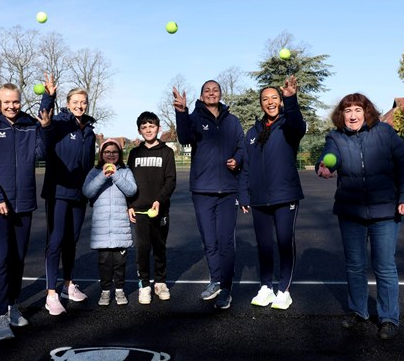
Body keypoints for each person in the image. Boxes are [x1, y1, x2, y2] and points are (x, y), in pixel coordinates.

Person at [316, 93, 404, 340]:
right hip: (351, 211)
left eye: (357, 110)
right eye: (348, 110)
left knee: (384, 267)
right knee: (355, 266)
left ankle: (388, 318)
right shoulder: (336, 136)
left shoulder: (385, 133)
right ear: (342, 115)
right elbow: (331, 155)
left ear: (366, 112)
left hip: (385, 211)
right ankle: (358, 311)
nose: (352, 115)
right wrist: (326, 164)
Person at [0, 83, 52, 340]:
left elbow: (42, 151)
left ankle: (12, 305)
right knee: (0, 261)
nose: (11, 106)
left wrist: (45, 118)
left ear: (21, 101)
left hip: (24, 204)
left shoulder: (30, 125)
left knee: (18, 259)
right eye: (6, 102)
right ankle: (0, 318)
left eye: (16, 102)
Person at [173, 80, 245, 309]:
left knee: (225, 242)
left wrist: (238, 159)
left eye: (215, 90)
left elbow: (242, 146)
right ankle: (215, 280)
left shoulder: (232, 121)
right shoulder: (194, 118)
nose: (211, 93)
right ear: (202, 96)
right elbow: (184, 137)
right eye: (207, 90)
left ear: (220, 94)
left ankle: (226, 288)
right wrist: (181, 112)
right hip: (202, 189)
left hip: (228, 191)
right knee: (209, 241)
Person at [238, 76, 305, 310]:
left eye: (274, 98)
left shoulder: (289, 125)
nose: (270, 102)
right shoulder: (252, 132)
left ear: (280, 101)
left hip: (285, 196)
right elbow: (246, 166)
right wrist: (244, 195)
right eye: (265, 99)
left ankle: (284, 290)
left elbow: (299, 124)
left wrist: (291, 98)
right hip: (258, 198)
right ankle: (266, 286)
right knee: (264, 245)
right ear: (261, 104)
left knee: (285, 243)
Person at [39, 79, 96, 315]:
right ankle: (51, 294)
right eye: (75, 102)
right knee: (56, 242)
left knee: (71, 241)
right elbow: (45, 119)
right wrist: (48, 97)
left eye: (83, 102)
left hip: (79, 195)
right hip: (58, 192)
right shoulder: (59, 123)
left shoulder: (90, 131)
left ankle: (67, 285)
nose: (80, 106)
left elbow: (89, 165)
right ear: (68, 103)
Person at [126, 111, 177, 305]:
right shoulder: (135, 153)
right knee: (142, 249)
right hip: (139, 210)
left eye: (151, 126)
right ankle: (144, 284)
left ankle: (160, 283)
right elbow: (127, 181)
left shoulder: (167, 152)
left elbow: (171, 180)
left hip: (160, 209)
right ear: (139, 130)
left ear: (158, 128)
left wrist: (160, 200)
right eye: (144, 127)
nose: (148, 130)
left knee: (159, 247)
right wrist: (129, 204)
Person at [83, 139, 138, 306]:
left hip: (120, 224)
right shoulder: (94, 171)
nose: (111, 155)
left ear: (119, 154)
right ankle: (105, 291)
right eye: (107, 152)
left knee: (120, 263)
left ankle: (120, 290)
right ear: (102, 154)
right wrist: (102, 175)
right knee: (105, 262)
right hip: (102, 227)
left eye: (114, 152)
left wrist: (115, 174)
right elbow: (87, 191)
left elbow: (132, 190)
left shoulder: (125, 171)